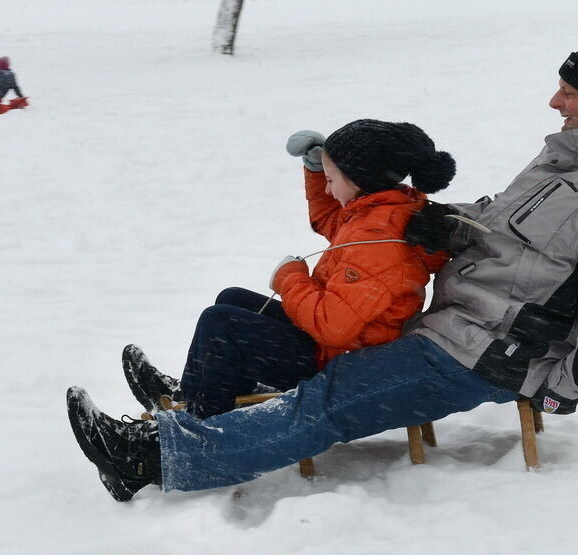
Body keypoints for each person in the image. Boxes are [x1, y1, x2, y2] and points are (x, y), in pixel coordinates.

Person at [65, 27, 578, 503]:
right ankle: (206, 406)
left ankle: (154, 460)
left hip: (483, 357)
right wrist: (432, 221)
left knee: (328, 401)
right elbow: (507, 228)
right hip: (448, 327)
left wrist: (561, 389)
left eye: (569, 92)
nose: (554, 100)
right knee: (300, 359)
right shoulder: (566, 163)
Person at [122, 119, 454, 420]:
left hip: (343, 361)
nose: (326, 189)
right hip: (346, 343)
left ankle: (196, 424)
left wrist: (290, 278)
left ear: (359, 180)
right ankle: (198, 389)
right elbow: (331, 219)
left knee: (221, 323)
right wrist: (315, 169)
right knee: (232, 299)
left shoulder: (377, 240)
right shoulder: (382, 212)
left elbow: (332, 326)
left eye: (331, 180)